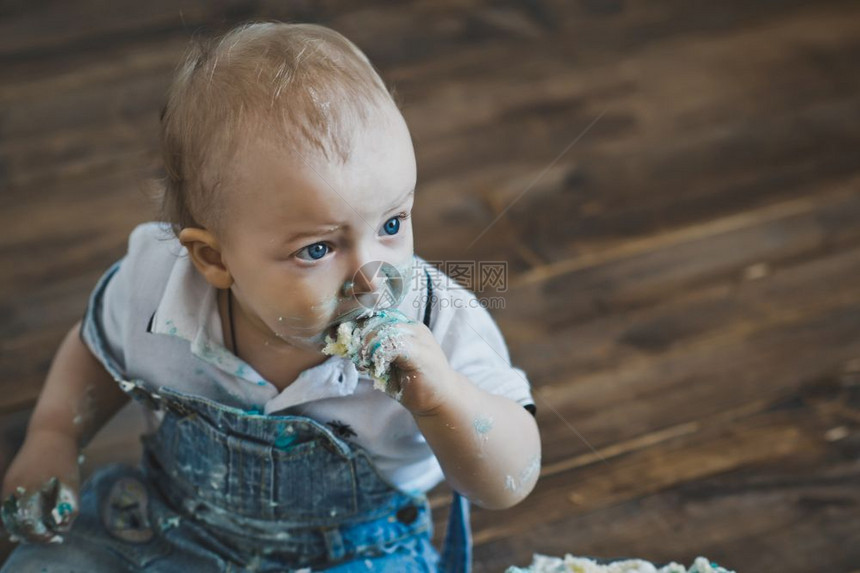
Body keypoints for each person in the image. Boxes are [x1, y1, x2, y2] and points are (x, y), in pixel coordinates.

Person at [0, 21, 540, 572]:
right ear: (214, 259)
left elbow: (511, 479)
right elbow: (96, 350)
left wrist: (444, 398)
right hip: (175, 525)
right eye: (317, 250)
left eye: (392, 223)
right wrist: (51, 436)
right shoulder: (155, 289)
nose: (372, 277)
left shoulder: (436, 320)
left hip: (354, 551)